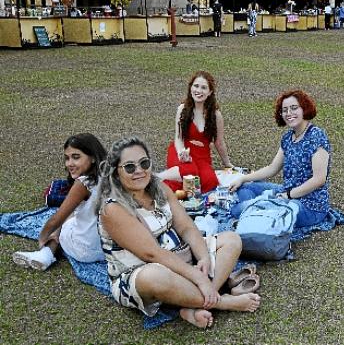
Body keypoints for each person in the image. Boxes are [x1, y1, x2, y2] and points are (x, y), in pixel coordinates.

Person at [95, 137, 260, 328]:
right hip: (143, 270)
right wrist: (198, 276)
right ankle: (222, 301)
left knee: (231, 240)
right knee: (153, 277)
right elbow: (151, 253)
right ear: (116, 172)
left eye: (144, 163)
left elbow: (186, 227)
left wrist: (204, 257)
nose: (139, 170)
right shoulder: (112, 209)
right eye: (130, 167)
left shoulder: (159, 187)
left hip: (179, 256)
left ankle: (203, 299)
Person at [229, 89, 331, 228]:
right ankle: (253, 214)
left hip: (310, 205)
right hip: (286, 192)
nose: (289, 113)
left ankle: (251, 214)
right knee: (246, 188)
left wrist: (288, 195)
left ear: (304, 109)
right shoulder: (288, 138)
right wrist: (243, 178)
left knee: (237, 210)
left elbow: (319, 180)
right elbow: (272, 168)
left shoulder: (317, 136)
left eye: (294, 108)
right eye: (285, 110)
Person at [12, 133, 107, 271]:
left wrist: (43, 237)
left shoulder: (84, 183)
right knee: (76, 213)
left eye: (76, 157)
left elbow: (57, 219)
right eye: (67, 158)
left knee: (66, 218)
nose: (69, 163)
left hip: (86, 250)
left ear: (92, 157)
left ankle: (46, 253)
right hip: (108, 249)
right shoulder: (112, 176)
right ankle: (46, 254)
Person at [157, 71, 233, 193]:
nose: (199, 90)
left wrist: (228, 164)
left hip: (202, 156)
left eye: (204, 88)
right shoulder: (182, 109)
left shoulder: (216, 115)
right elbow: (178, 138)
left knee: (210, 182)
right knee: (190, 173)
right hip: (182, 151)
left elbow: (219, 142)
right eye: (196, 86)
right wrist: (182, 153)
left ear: (210, 92)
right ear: (191, 87)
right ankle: (156, 178)